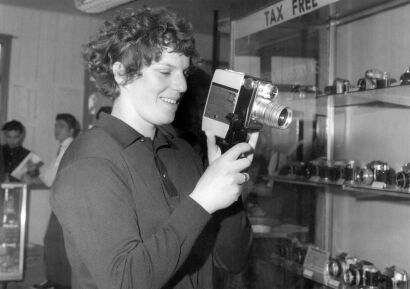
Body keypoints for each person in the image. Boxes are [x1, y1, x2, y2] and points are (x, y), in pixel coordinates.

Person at [50, 7, 258, 289]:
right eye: (165, 71)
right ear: (121, 73)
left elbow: (233, 260)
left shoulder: (182, 151)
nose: (182, 84)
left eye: (184, 72)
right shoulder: (89, 163)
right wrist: (203, 200)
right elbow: (125, 281)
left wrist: (227, 182)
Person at [31, 113, 80, 289]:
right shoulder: (63, 147)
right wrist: (37, 173)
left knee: (57, 242)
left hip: (67, 203)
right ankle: (55, 281)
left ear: (71, 129)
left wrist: (37, 177)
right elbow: (51, 170)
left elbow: (51, 177)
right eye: (55, 125)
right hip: (61, 201)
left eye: (61, 126)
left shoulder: (69, 147)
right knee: (54, 241)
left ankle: (61, 283)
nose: (56, 129)